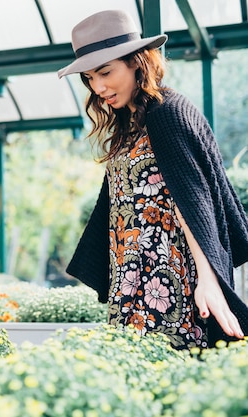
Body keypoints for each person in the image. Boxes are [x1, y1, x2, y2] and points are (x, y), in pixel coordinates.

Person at [59, 10, 248, 349]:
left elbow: (191, 202)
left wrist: (208, 280)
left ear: (136, 61)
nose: (98, 87)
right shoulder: (131, 123)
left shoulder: (166, 113)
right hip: (131, 279)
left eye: (105, 71)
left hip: (169, 282)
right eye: (89, 77)